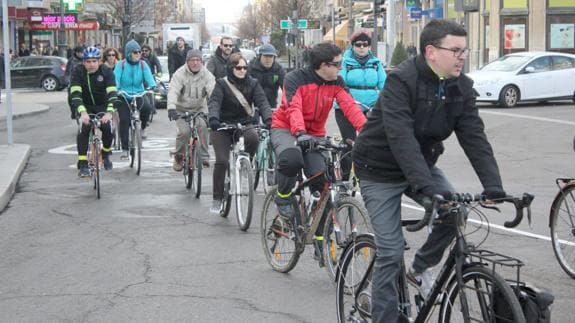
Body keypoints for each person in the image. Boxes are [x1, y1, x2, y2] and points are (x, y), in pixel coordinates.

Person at [352, 19, 506, 323]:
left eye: (465, 50)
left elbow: (474, 137)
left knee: (454, 212)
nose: (463, 56)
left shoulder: (461, 87)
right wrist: (425, 189)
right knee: (391, 251)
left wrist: (494, 186)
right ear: (431, 51)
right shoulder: (402, 81)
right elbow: (401, 138)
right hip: (378, 170)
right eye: (456, 50)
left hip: (421, 165)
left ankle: (419, 268)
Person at [270, 42, 366, 219]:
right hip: (287, 128)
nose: (341, 68)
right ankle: (283, 196)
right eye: (337, 64)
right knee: (291, 159)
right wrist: (300, 132)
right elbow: (293, 107)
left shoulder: (337, 82)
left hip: (314, 134)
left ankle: (320, 235)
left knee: (323, 182)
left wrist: (367, 132)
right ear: (323, 66)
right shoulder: (295, 79)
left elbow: (350, 107)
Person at [207, 52, 273, 213]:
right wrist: (214, 119)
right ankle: (217, 198)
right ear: (231, 68)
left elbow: (262, 102)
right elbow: (214, 102)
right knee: (222, 161)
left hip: (244, 123)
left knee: (253, 137)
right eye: (238, 68)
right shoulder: (221, 84)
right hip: (222, 126)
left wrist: (269, 119)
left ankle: (246, 164)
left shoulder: (253, 83)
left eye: (244, 67)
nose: (242, 70)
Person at [335, 29, 386, 181]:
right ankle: (344, 178)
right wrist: (347, 99)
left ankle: (369, 175)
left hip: (370, 106)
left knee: (371, 141)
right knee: (349, 144)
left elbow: (385, 85)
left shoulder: (376, 64)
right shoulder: (345, 63)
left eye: (366, 44)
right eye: (358, 45)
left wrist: (385, 101)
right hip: (347, 107)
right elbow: (339, 84)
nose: (362, 47)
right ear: (353, 46)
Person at [69, 47, 117, 177]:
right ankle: (83, 163)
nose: (91, 64)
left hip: (103, 105)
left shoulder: (106, 71)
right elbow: (76, 95)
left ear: (99, 61)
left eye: (94, 61)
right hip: (85, 106)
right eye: (88, 61)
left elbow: (112, 93)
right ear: (83, 62)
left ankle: (106, 154)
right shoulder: (77, 72)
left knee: (107, 128)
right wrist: (82, 112)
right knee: (84, 128)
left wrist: (109, 112)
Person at [167, 49, 215, 171]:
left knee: (203, 127)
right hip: (181, 109)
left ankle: (204, 156)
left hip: (199, 108)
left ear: (201, 62)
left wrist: (215, 109)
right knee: (184, 131)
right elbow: (173, 91)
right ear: (187, 62)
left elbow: (213, 93)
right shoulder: (179, 74)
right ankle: (178, 156)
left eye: (198, 60)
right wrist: (171, 107)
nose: (195, 63)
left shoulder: (207, 75)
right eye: (192, 60)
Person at [114, 40, 156, 158]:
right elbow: (116, 78)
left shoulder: (143, 65)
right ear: (128, 53)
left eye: (139, 52)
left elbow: (148, 76)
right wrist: (116, 89)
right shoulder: (120, 65)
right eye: (135, 52)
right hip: (124, 95)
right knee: (124, 120)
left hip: (139, 93)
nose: (138, 54)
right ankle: (125, 149)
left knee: (147, 108)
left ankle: (142, 128)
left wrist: (152, 86)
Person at [248, 43, 285, 109]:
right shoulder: (251, 68)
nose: (268, 59)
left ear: (274, 57)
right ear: (260, 56)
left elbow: (286, 90)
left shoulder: (278, 70)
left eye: (271, 56)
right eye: (265, 56)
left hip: (271, 106)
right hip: (252, 107)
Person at [65, 46, 85, 119]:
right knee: (71, 97)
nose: (81, 54)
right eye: (79, 53)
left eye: (82, 52)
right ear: (76, 53)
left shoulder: (85, 60)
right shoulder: (71, 60)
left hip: (83, 80)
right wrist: (68, 82)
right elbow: (67, 72)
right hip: (73, 80)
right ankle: (73, 111)